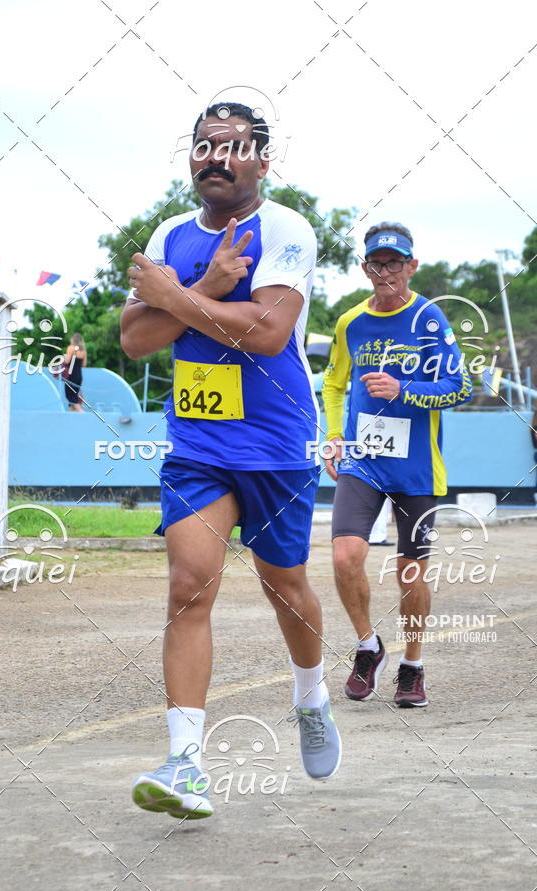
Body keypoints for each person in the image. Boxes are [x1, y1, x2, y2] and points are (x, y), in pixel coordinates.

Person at [120, 102, 340, 820]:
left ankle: (310, 696)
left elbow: (268, 331)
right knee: (188, 585)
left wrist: (178, 298)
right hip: (198, 444)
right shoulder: (169, 234)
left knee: (286, 586)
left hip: (275, 442)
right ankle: (185, 764)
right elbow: (135, 340)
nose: (215, 158)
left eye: (234, 147)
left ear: (262, 161)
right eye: (203, 146)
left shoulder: (285, 229)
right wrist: (208, 289)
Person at [322, 222, 473, 708]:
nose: (385, 272)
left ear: (412, 266)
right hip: (363, 461)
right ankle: (368, 646)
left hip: (416, 468)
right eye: (376, 263)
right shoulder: (350, 322)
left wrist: (404, 389)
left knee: (411, 572)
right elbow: (333, 385)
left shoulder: (429, 319)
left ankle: (412, 666)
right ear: (365, 268)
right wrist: (334, 437)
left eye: (394, 263)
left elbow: (460, 387)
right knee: (344, 557)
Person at [63, 332, 87, 412]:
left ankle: (83, 414)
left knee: (70, 397)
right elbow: (84, 365)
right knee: (74, 397)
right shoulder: (83, 351)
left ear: (73, 340)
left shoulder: (71, 348)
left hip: (71, 376)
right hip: (79, 376)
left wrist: (63, 358)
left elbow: (67, 361)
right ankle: (72, 417)